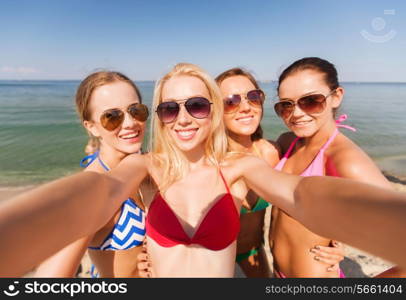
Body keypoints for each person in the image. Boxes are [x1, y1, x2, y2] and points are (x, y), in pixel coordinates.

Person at [1, 63, 406, 277]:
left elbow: (299, 194)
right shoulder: (146, 166)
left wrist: (378, 223)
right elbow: (98, 193)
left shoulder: (240, 165)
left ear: (213, 111)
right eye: (169, 108)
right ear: (158, 116)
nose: (184, 118)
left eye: (196, 105)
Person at [269, 57, 396, 278]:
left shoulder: (344, 159)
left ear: (336, 97)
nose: (296, 113)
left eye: (310, 101)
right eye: (286, 105)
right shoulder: (288, 142)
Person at [215, 68, 343, 277]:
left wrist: (335, 242)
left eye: (253, 97)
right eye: (231, 101)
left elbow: (322, 188)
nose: (246, 107)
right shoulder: (209, 161)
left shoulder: (274, 153)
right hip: (215, 254)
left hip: (254, 250)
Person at [34, 71, 150, 278]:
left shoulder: (148, 162)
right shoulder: (93, 189)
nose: (130, 123)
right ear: (92, 127)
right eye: (112, 117)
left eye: (136, 110)